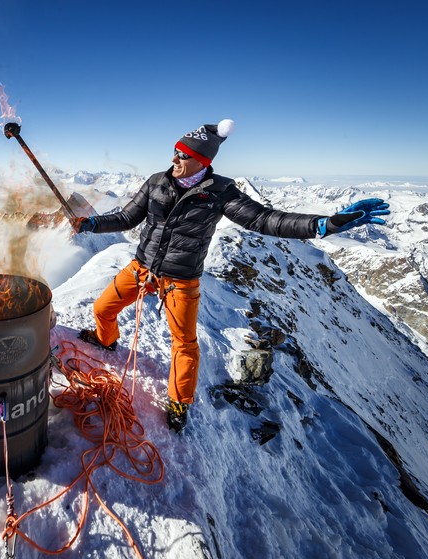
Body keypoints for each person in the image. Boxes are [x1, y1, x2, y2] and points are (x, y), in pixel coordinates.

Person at [70, 119, 389, 433]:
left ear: (201, 161)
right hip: (142, 268)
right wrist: (93, 224)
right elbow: (128, 216)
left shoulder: (221, 192)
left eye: (182, 155)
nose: (174, 159)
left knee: (184, 344)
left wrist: (324, 225)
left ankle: (179, 402)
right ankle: (105, 340)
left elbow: (265, 220)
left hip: (181, 279)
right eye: (175, 152)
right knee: (103, 308)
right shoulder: (157, 182)